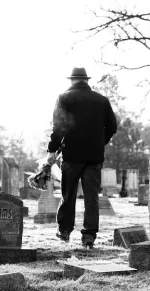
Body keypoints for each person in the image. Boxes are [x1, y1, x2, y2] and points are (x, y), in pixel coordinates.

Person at [46, 67, 117, 248]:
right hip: (94, 156)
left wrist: (52, 151)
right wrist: (100, 142)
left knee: (68, 195)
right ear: (86, 81)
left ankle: (64, 231)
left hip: (71, 155)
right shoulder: (101, 100)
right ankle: (89, 236)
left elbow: (58, 127)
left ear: (72, 81)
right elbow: (112, 127)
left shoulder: (64, 98)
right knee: (91, 198)